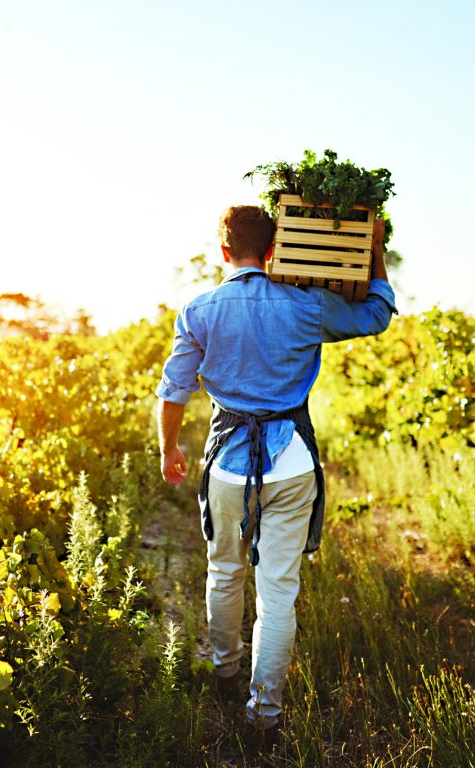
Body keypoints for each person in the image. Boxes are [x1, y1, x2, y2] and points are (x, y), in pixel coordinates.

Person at [156, 205, 396, 740]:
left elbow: (174, 392)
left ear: (223, 250)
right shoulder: (307, 304)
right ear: (272, 250)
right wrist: (374, 247)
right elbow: (377, 314)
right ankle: (263, 716)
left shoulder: (199, 309)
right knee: (278, 593)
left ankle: (225, 673)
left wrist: (168, 448)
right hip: (292, 464)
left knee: (223, 572)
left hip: (227, 466)